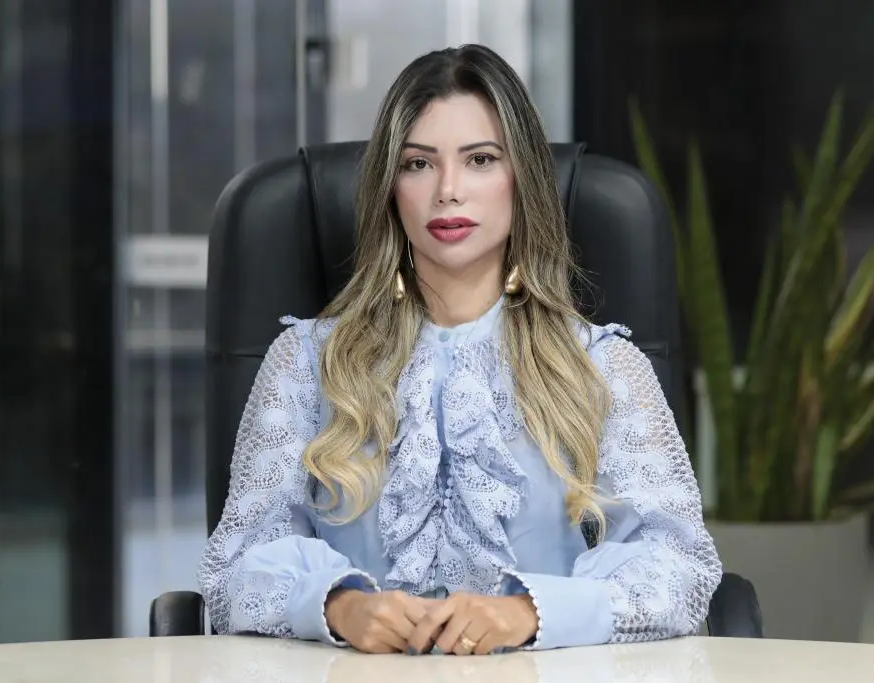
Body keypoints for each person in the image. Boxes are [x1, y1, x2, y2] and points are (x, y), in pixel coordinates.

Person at [197, 43, 722, 656]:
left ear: (521, 179)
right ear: (390, 187)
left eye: (480, 160)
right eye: (418, 164)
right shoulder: (307, 362)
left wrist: (529, 613)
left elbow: (681, 569)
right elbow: (233, 569)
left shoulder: (601, 367)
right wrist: (339, 606)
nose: (448, 191)